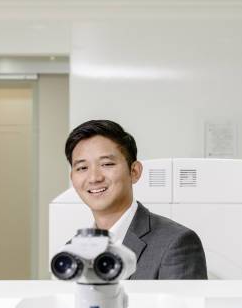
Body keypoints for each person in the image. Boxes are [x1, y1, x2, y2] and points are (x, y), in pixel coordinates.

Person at [65, 119, 207, 279]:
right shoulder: (71, 250)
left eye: (106, 164)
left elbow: (184, 305)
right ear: (73, 178)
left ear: (134, 171)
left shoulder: (175, 243)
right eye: (82, 168)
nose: (94, 178)